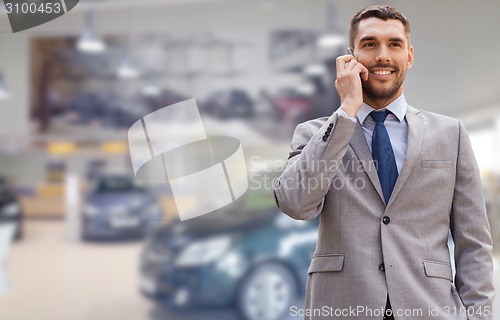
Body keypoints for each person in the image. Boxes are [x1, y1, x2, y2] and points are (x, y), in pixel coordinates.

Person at [273, 5, 494, 320]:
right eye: (369, 44)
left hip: (428, 307)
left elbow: (474, 243)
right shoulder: (315, 133)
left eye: (394, 44)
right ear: (351, 57)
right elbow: (295, 204)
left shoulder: (450, 134)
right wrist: (347, 109)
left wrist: (479, 316)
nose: (382, 55)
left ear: (410, 56)